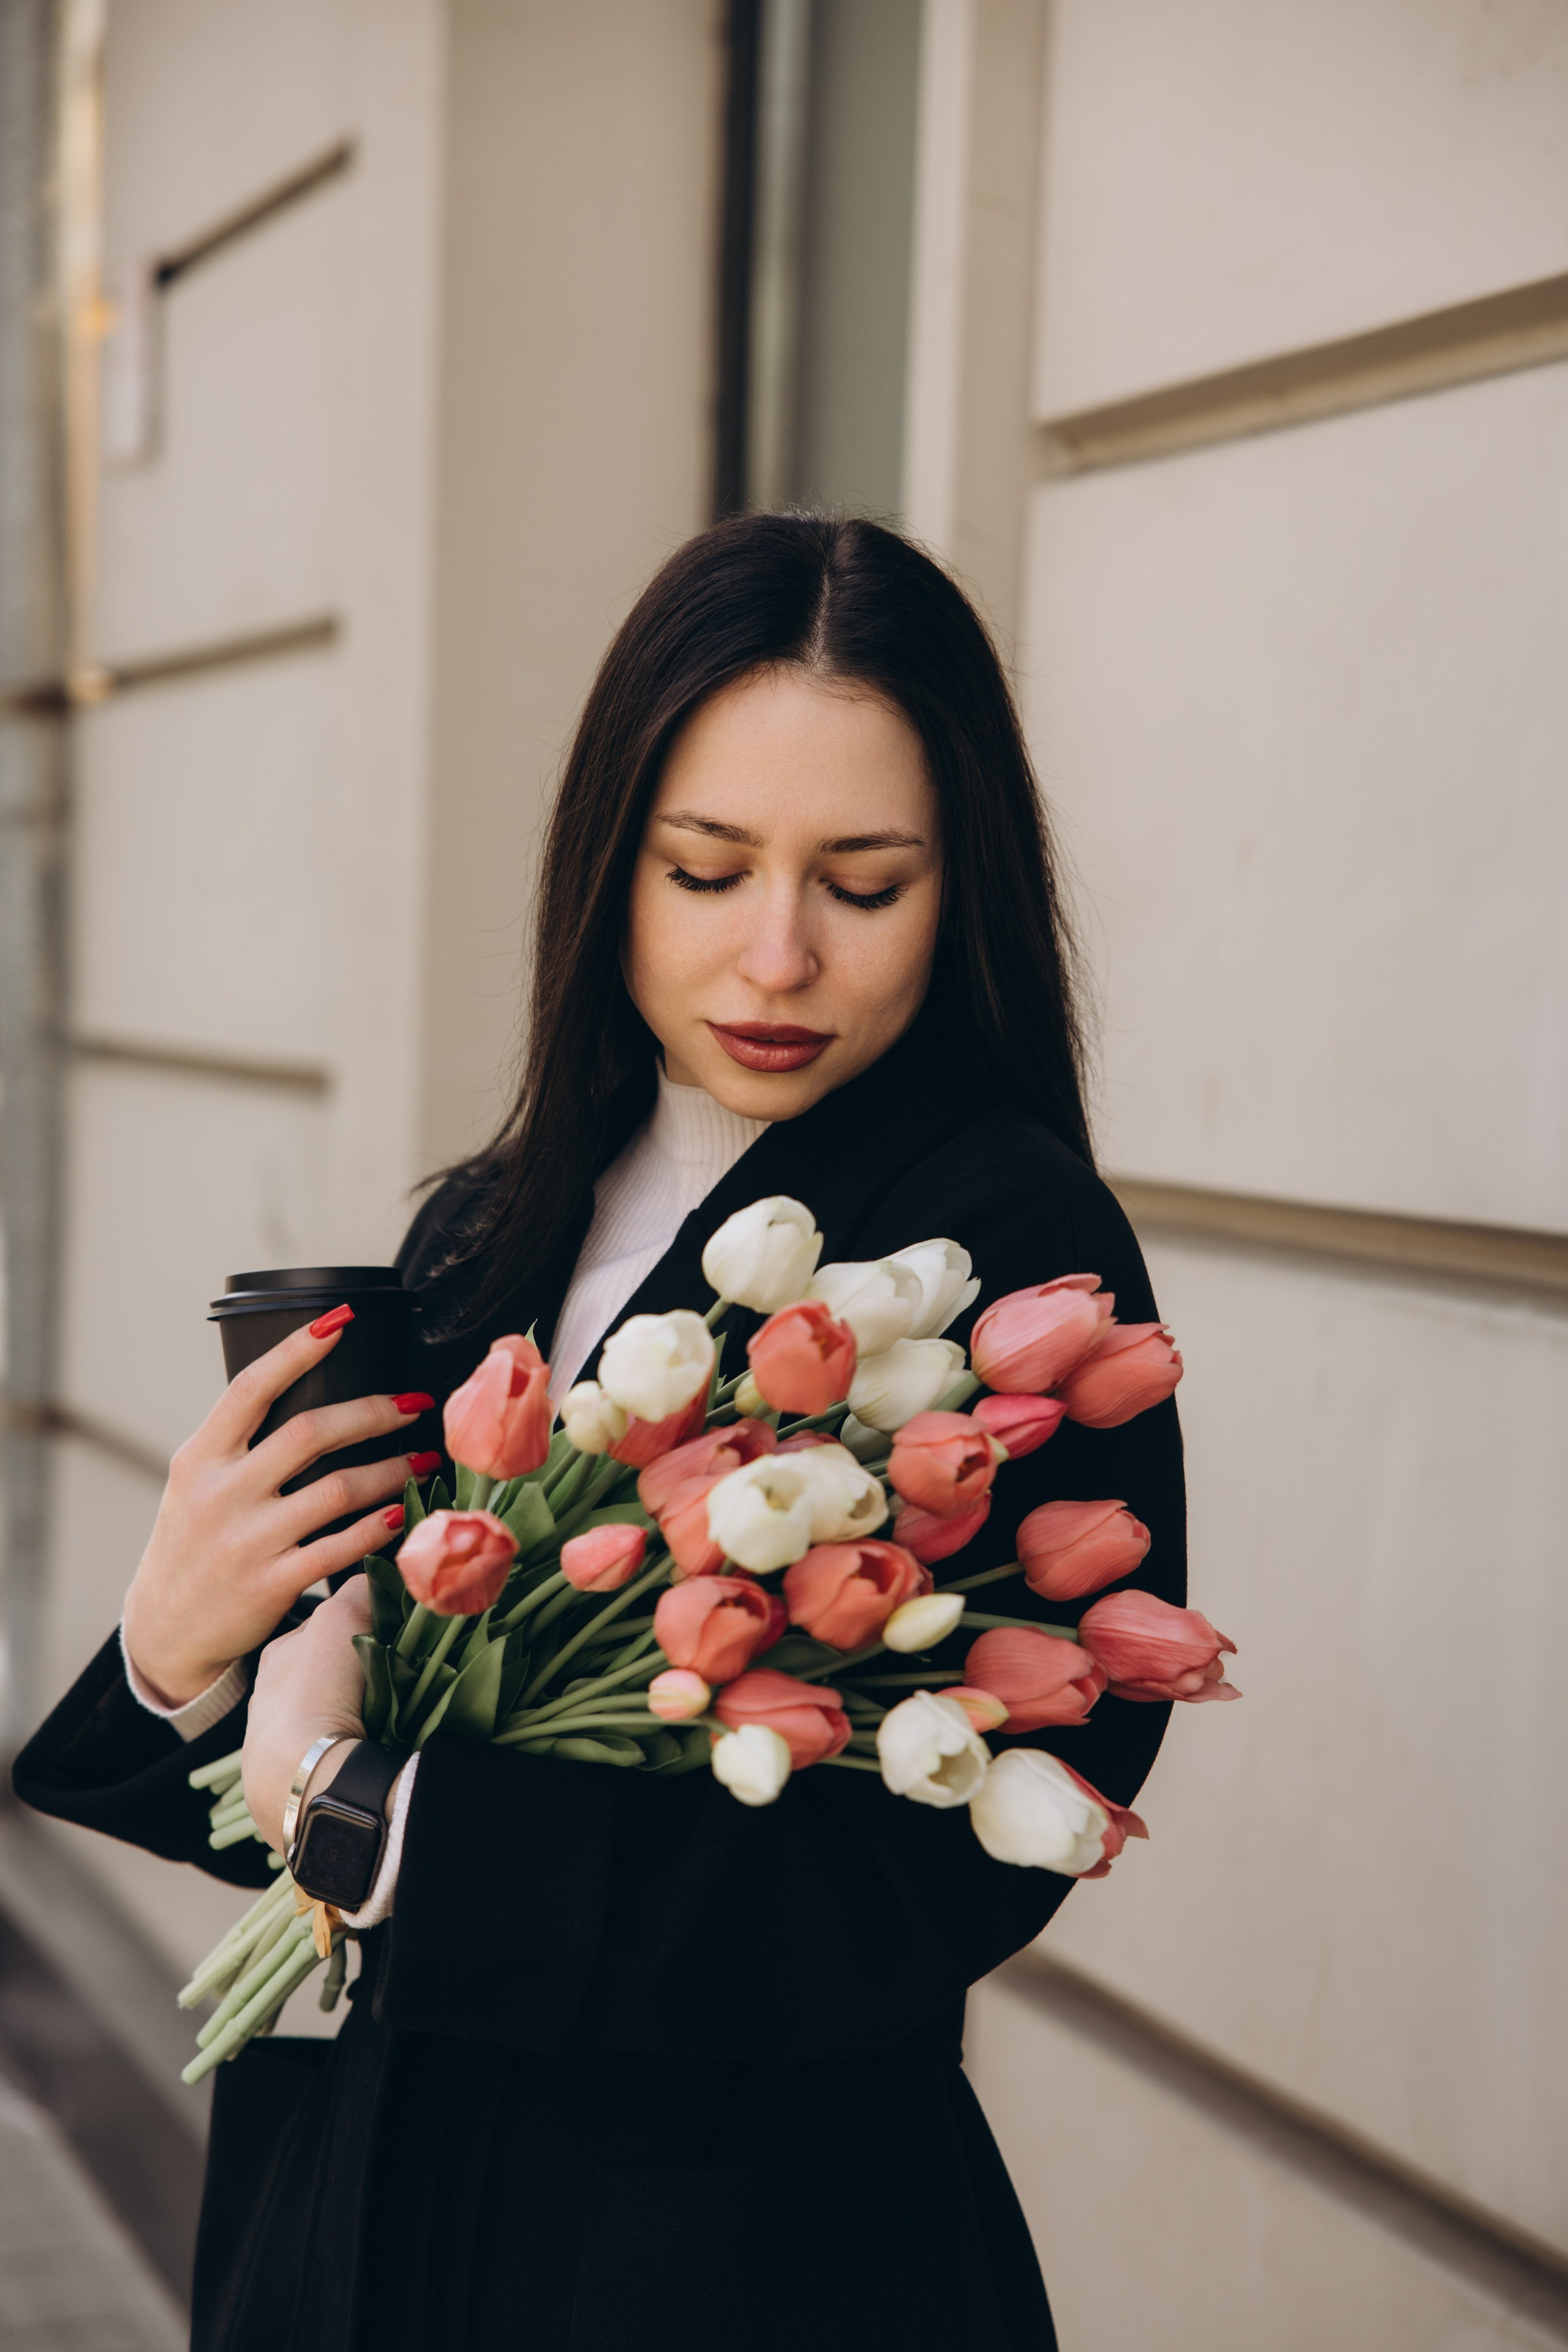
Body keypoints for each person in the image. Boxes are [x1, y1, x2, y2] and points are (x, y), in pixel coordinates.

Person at [13, 514, 1185, 2352]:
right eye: (705, 869)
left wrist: (374, 1824)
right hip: (384, 2220)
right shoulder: (489, 1226)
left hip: (739, 2255)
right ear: (607, 862)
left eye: (864, 885)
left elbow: (910, 1886)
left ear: (960, 890)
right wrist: (181, 1651)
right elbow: (281, 1792)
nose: (777, 955)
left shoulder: (998, 1246)